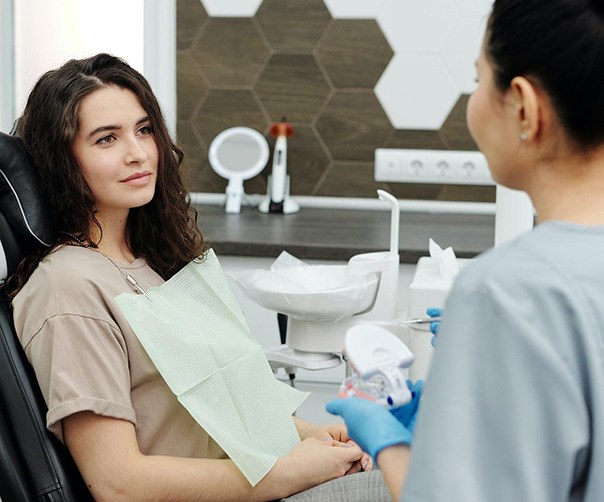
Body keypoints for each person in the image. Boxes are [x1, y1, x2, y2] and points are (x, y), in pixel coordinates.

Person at [7, 53, 389, 501]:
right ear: (61, 160)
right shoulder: (67, 287)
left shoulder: (150, 263)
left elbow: (224, 410)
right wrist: (287, 473)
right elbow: (117, 483)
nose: (138, 153)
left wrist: (319, 436)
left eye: (144, 130)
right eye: (107, 139)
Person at [327, 0, 604, 501]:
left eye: (478, 82)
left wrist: (391, 443)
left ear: (524, 106)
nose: (473, 102)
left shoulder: (506, 291)